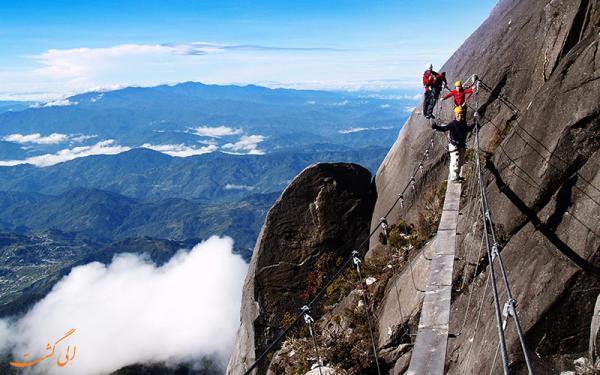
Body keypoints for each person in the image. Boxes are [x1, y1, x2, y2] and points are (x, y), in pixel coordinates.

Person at [431, 106, 475, 182]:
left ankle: (457, 176)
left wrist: (474, 125)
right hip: (454, 146)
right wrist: (436, 127)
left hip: (461, 145)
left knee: (460, 162)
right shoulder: (453, 124)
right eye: (459, 114)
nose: (460, 115)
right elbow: (444, 128)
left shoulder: (463, 123)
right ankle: (454, 178)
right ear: (456, 114)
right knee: (455, 161)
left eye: (461, 114)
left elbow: (467, 129)